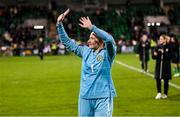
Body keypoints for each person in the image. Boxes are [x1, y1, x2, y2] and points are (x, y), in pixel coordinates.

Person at [56, 9, 117, 116]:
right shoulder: (85, 51)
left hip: (103, 97)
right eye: (89, 38)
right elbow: (67, 43)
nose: (89, 41)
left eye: (92, 38)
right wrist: (59, 24)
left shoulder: (108, 54)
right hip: (85, 97)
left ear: (100, 41)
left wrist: (92, 27)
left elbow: (109, 39)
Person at [152, 35, 172, 99]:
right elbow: (153, 57)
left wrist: (164, 53)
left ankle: (165, 93)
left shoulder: (169, 47)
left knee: (166, 80)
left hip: (166, 66)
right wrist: (154, 55)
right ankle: (159, 93)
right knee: (158, 79)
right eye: (160, 39)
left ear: (165, 39)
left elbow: (170, 56)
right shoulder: (157, 46)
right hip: (158, 65)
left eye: (161, 39)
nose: (160, 40)